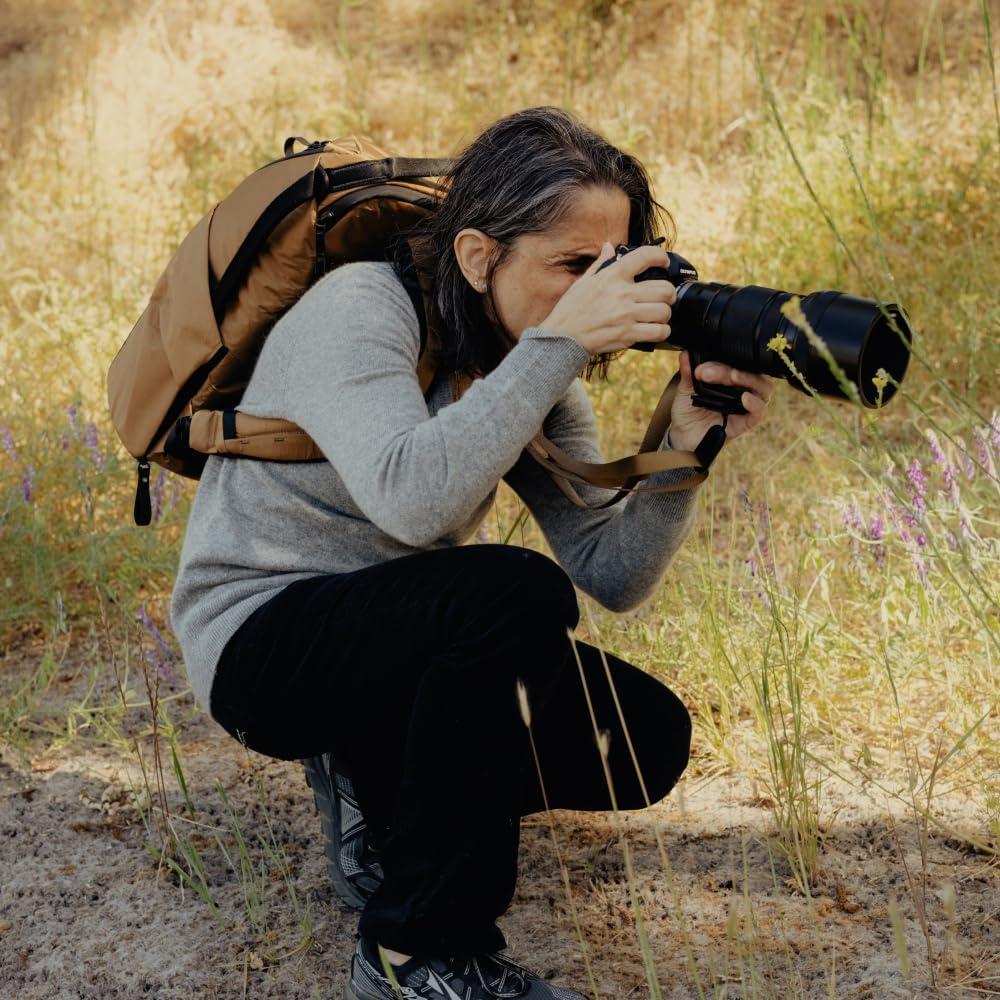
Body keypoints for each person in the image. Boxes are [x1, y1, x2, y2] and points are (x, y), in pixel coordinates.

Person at [170, 105, 773, 1000]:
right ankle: (417, 953)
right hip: (261, 642)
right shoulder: (359, 310)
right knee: (509, 592)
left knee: (643, 739)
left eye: (607, 269)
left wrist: (684, 447)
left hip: (397, 641)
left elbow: (612, 573)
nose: (592, 296)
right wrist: (561, 344)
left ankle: (384, 784)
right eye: (572, 267)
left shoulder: (523, 353)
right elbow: (416, 502)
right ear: (479, 256)